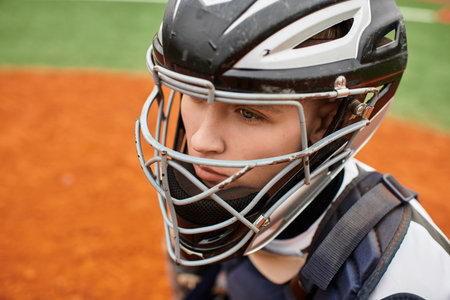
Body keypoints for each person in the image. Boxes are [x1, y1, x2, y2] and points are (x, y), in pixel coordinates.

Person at [135, 0, 450, 299]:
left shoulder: (404, 278)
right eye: (195, 95)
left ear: (327, 121)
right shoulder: (201, 203)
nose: (201, 142)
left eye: (249, 113)